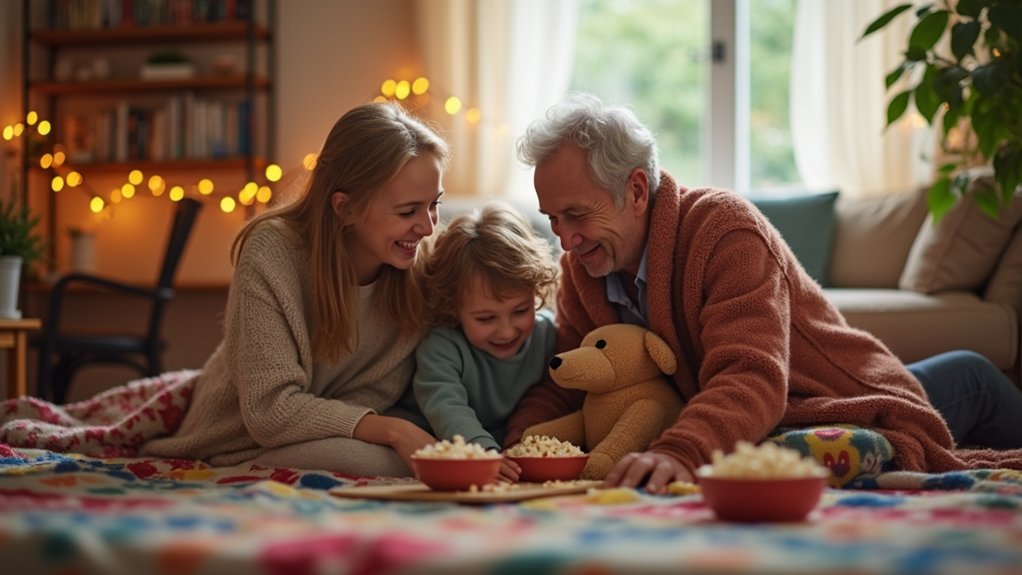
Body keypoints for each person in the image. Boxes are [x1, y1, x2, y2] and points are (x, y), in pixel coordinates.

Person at [504, 92, 1022, 493]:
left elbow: (750, 375)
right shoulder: (583, 267)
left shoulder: (723, 230)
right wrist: (519, 443)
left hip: (845, 397)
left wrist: (681, 451)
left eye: (577, 215)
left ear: (636, 190)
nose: (565, 240)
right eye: (553, 219)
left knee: (971, 376)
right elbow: (568, 379)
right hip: (766, 421)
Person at [141, 101, 448, 476]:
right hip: (242, 440)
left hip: (342, 434)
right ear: (345, 208)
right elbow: (269, 411)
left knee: (421, 452)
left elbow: (380, 394)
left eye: (434, 205)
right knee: (393, 462)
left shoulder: (419, 265)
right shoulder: (272, 249)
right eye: (408, 212)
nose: (428, 227)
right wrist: (393, 430)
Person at [403, 202, 559, 481]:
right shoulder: (442, 347)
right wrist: (482, 451)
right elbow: (447, 406)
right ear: (453, 308)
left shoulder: (548, 335)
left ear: (535, 291)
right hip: (439, 438)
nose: (506, 331)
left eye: (521, 311)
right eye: (486, 319)